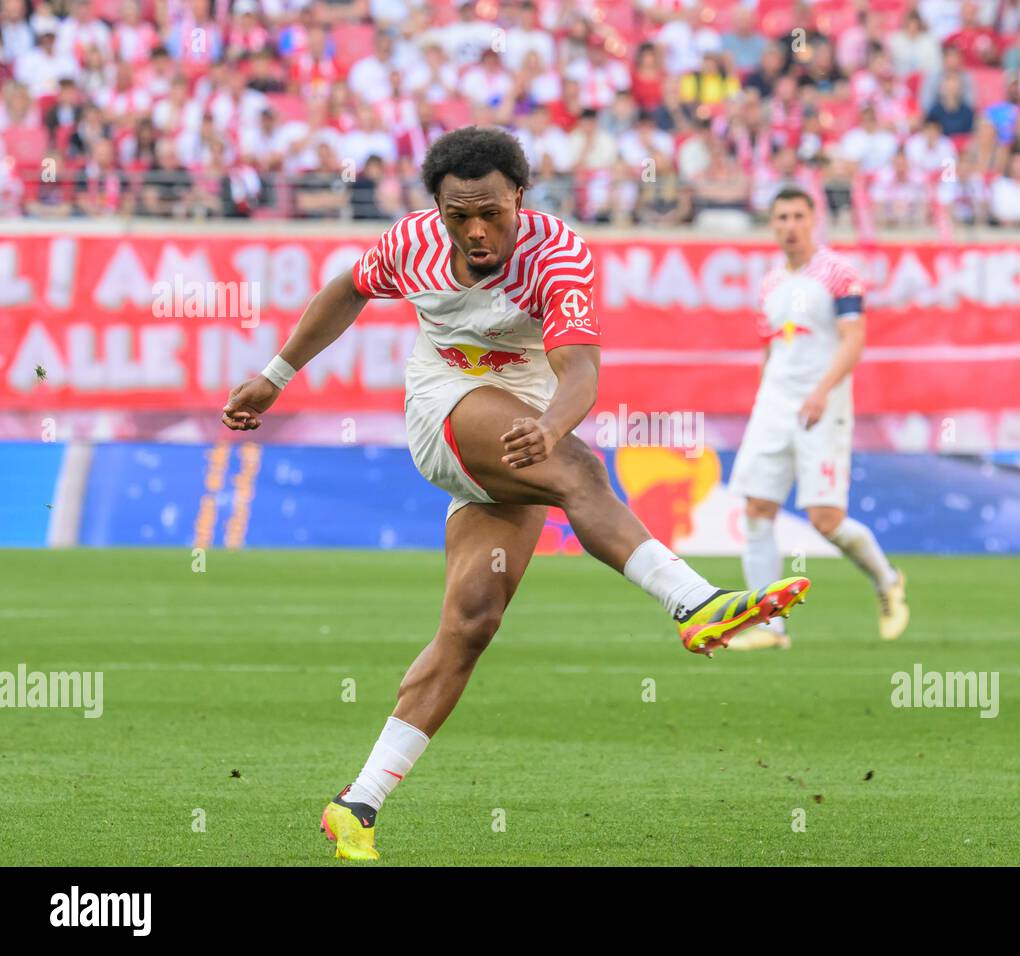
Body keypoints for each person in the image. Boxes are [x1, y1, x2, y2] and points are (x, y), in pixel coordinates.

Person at [219, 127, 811, 859]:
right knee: (580, 472)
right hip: (444, 408)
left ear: (520, 199)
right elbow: (347, 291)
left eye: (491, 213)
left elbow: (580, 371)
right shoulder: (411, 243)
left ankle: (357, 804)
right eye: (457, 215)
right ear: (436, 209)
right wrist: (274, 377)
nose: (475, 230)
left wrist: (550, 426)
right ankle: (694, 602)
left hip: (523, 421)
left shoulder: (557, 253)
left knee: (472, 622)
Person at [726, 186, 908, 652]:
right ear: (772, 224)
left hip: (822, 407)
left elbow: (854, 339)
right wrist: (762, 399)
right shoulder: (770, 283)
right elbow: (771, 348)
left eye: (798, 216)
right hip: (774, 406)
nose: (790, 226)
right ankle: (769, 628)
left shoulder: (838, 274)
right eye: (781, 217)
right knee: (756, 510)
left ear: (814, 220)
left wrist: (822, 391)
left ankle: (887, 580)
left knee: (826, 520)